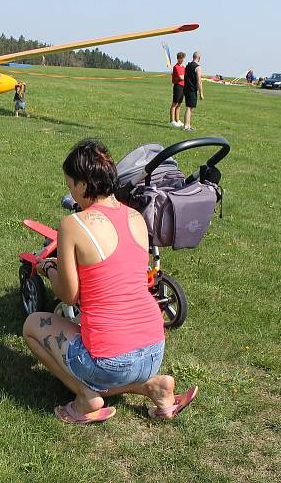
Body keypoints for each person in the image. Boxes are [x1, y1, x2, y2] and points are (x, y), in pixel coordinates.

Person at [22, 139, 198, 424]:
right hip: (154, 347)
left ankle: (85, 398)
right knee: (113, 351)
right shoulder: (136, 217)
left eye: (71, 187)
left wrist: (47, 269)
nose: (72, 195)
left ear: (83, 184)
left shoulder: (74, 224)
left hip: (111, 359)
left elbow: (68, 295)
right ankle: (153, 386)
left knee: (31, 326)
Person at [183, 51, 204, 131]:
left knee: (190, 108)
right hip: (192, 89)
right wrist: (201, 93)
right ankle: (186, 126)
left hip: (186, 88)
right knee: (189, 108)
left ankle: (188, 125)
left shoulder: (188, 65)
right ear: (199, 58)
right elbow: (199, 81)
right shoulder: (198, 67)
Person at [169, 51, 186, 127]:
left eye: (182, 58)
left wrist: (184, 76)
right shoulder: (176, 67)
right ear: (178, 58)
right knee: (174, 104)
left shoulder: (183, 67)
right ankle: (172, 121)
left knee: (179, 104)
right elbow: (180, 77)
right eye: (180, 58)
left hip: (183, 86)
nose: (181, 60)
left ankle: (177, 120)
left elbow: (184, 77)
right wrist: (185, 76)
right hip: (178, 86)